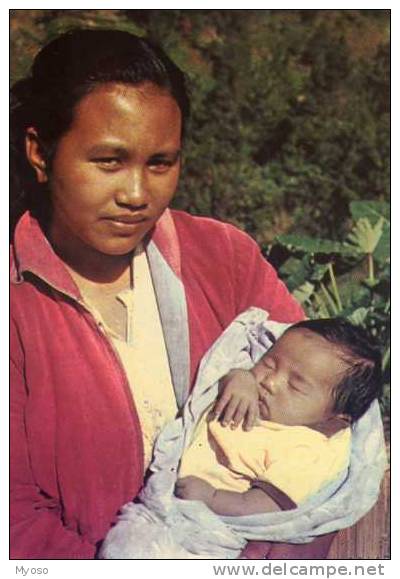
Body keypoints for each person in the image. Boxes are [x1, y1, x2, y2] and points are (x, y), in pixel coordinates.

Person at [10, 28, 313, 560]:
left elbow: (321, 422)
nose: (135, 194)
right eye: (108, 161)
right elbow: (13, 521)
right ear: (40, 151)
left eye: (160, 163)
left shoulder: (226, 260)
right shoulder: (15, 306)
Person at [100, 316, 383, 559]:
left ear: (334, 419)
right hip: (156, 508)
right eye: (269, 364)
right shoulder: (253, 390)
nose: (269, 382)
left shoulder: (308, 450)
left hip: (213, 532)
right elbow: (229, 372)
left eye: (295, 385)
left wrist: (211, 497)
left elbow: (266, 505)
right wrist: (239, 378)